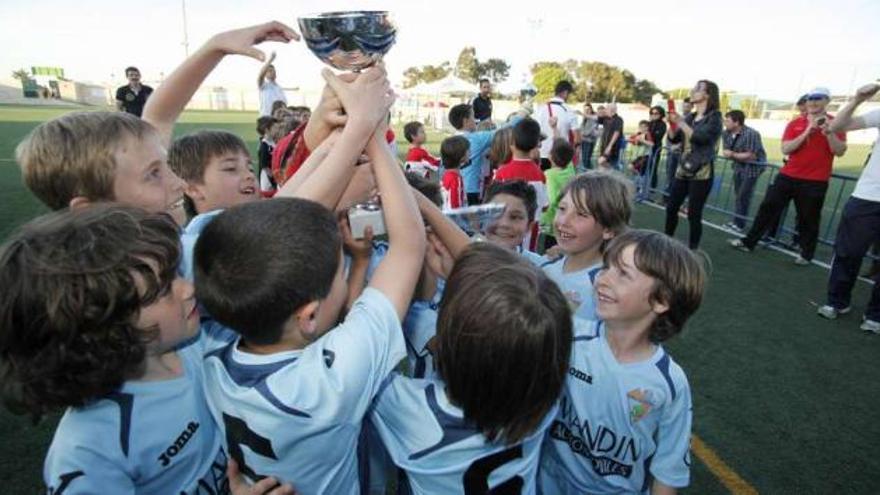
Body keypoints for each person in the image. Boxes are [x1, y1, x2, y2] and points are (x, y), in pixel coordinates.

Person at [195, 58, 425, 490]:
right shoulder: (327, 383)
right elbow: (410, 245)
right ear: (309, 316)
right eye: (336, 273)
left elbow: (272, 225)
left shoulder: (214, 354)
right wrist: (373, 132)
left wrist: (344, 135)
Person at [0, 205, 292, 495]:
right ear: (104, 331)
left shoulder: (199, 341)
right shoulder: (89, 450)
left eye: (175, 272)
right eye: (163, 289)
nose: (188, 288)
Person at [368, 243, 572, 494]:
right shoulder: (543, 401)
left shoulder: (412, 409)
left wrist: (359, 263)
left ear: (447, 343)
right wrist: (464, 284)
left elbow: (363, 348)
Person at [539, 229, 705, 495]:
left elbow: (667, 473)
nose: (603, 279)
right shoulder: (569, 336)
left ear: (662, 300)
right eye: (606, 267)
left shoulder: (669, 383)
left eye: (623, 273)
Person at [729, 87, 847, 264]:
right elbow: (786, 148)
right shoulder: (795, 124)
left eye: (819, 98)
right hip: (788, 176)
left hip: (815, 181)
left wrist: (828, 132)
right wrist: (808, 130)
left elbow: (839, 151)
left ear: (827, 101)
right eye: (810, 98)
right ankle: (749, 242)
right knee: (767, 208)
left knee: (809, 218)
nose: (813, 102)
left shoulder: (836, 123)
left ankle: (806, 254)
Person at [816, 82, 880, 332]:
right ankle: (837, 302)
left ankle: (875, 315)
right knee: (848, 252)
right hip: (868, 197)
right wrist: (856, 100)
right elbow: (837, 126)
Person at [541, 171, 633, 320]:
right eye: (562, 209)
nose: (564, 221)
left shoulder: (604, 289)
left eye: (581, 214)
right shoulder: (547, 264)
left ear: (608, 229)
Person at [665, 80, 723, 250]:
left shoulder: (715, 117)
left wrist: (681, 123)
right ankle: (665, 242)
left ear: (707, 95)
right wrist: (672, 124)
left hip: (702, 171)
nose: (693, 91)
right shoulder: (690, 116)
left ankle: (693, 249)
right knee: (671, 207)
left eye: (698, 89)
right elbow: (674, 138)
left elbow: (701, 138)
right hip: (683, 168)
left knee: (694, 213)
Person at [168, 130, 259, 219]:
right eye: (231, 169)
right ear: (193, 190)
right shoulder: (204, 233)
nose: (249, 175)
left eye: (250, 169)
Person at [447, 103, 523, 205]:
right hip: (472, 190)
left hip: (454, 187)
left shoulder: (450, 141)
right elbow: (502, 131)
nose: (476, 120)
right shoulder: (476, 139)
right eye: (473, 117)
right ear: (465, 121)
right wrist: (522, 114)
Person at [721, 109, 767, 232]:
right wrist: (733, 155)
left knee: (743, 196)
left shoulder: (751, 134)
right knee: (738, 195)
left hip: (752, 169)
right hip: (738, 167)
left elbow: (752, 156)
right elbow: (726, 151)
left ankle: (739, 224)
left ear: (737, 122)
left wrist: (733, 154)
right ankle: (737, 221)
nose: (725, 122)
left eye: (728, 120)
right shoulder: (725, 133)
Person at [484, 180, 545, 266]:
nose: (504, 224)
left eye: (515, 217)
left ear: (529, 226)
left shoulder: (540, 268)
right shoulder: (463, 258)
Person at [540, 138, 577, 250]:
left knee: (547, 245)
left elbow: (552, 198)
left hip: (550, 217)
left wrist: (543, 207)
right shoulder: (570, 169)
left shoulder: (550, 174)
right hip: (564, 215)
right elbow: (565, 150)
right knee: (558, 242)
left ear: (551, 156)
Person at [535, 80, 579, 170]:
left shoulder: (540, 109)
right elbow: (577, 137)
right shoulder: (569, 110)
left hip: (542, 154)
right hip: (560, 157)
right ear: (565, 93)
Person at [663, 98, 692, 200]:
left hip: (683, 153)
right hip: (672, 152)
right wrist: (670, 123)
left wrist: (679, 145)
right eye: (684, 106)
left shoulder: (691, 119)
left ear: (692, 107)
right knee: (670, 174)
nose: (685, 108)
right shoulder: (677, 117)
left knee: (681, 176)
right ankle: (667, 196)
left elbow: (689, 137)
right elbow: (672, 136)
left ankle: (679, 199)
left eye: (688, 106)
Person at [627, 120, 655, 201]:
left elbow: (652, 144)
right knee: (633, 169)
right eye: (641, 127)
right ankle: (639, 190)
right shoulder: (638, 134)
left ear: (647, 128)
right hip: (638, 156)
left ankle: (642, 194)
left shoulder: (647, 134)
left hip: (645, 156)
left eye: (644, 127)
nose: (642, 128)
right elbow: (630, 138)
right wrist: (634, 139)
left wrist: (642, 141)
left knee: (641, 174)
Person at [440, 135, 469, 209]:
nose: (470, 153)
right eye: (468, 151)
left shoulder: (446, 175)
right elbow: (456, 205)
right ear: (462, 156)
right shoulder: (456, 179)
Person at [258, 51, 287, 116]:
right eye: (269, 71)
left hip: (277, 118)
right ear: (265, 74)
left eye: (273, 70)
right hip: (266, 117)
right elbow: (260, 76)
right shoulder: (264, 85)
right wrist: (270, 60)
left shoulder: (278, 87)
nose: (272, 72)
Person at [257, 115, 279, 197]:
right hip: (267, 179)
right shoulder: (264, 145)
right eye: (275, 128)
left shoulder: (273, 143)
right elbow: (264, 165)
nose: (277, 130)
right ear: (267, 130)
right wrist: (274, 178)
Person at [597, 103, 624, 170]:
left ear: (612, 110)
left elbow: (616, 133)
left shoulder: (618, 119)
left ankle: (613, 173)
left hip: (613, 147)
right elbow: (597, 117)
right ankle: (605, 176)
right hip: (604, 145)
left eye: (607, 109)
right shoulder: (605, 118)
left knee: (602, 161)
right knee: (603, 165)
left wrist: (610, 146)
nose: (605, 110)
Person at [647, 105, 668, 191]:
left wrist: (647, 136)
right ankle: (642, 183)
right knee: (644, 166)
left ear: (661, 114)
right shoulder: (649, 123)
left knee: (653, 167)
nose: (654, 115)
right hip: (647, 148)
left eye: (656, 113)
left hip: (656, 149)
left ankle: (652, 187)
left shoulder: (662, 124)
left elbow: (657, 136)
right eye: (652, 113)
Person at [579, 103, 600, 170]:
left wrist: (582, 133)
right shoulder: (585, 118)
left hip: (589, 141)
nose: (586, 111)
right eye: (585, 109)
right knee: (584, 159)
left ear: (591, 109)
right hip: (583, 140)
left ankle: (590, 172)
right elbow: (581, 128)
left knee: (587, 159)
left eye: (588, 109)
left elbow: (590, 130)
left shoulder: (594, 117)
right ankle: (588, 172)